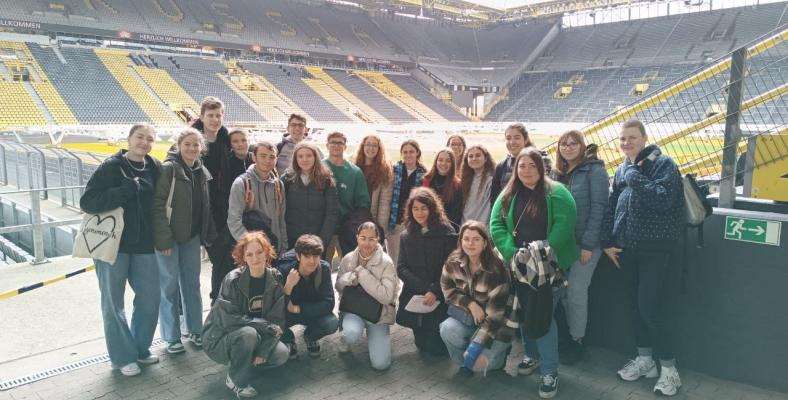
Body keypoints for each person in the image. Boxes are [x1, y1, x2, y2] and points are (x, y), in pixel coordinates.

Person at [601, 120, 684, 397]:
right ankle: (645, 360)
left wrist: (635, 176)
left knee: (652, 309)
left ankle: (670, 369)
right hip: (627, 249)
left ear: (644, 138)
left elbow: (663, 199)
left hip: (656, 250)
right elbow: (613, 205)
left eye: (632, 138)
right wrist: (608, 241)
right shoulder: (622, 167)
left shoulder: (664, 165)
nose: (626, 143)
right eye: (622, 139)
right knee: (635, 309)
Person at [490, 148, 577, 399]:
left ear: (541, 168)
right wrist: (511, 252)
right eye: (521, 166)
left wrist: (541, 254)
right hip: (518, 265)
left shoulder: (557, 193)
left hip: (548, 267)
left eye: (531, 166)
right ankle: (532, 355)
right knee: (526, 311)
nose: (526, 170)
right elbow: (496, 223)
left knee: (543, 316)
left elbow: (564, 225)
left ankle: (550, 370)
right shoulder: (509, 193)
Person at [80, 123, 161, 376]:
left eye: (149, 139)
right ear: (128, 139)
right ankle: (121, 356)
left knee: (150, 299)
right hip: (113, 246)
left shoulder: (155, 167)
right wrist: (123, 191)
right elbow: (88, 202)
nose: (144, 143)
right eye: (140, 137)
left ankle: (139, 348)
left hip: (145, 246)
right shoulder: (111, 167)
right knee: (113, 303)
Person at [153, 128, 217, 354]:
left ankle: (196, 330)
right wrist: (164, 240)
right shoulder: (168, 169)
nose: (192, 148)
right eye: (187, 144)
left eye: (196, 145)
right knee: (169, 287)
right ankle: (171, 337)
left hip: (191, 238)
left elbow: (204, 207)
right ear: (179, 145)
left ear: (201, 148)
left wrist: (205, 234)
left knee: (192, 285)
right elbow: (158, 206)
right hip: (169, 240)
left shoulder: (200, 171)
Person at [203, 232, 289, 398]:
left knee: (281, 354)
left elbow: (277, 321)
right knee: (249, 334)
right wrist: (262, 325)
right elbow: (228, 319)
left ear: (267, 253)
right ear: (243, 257)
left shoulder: (275, 278)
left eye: (259, 252)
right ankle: (236, 380)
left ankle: (243, 362)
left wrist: (263, 351)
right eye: (249, 254)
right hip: (221, 337)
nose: (255, 258)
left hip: (255, 336)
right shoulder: (232, 280)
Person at [551, 130, 609, 364]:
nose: (568, 147)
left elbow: (599, 209)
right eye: (563, 144)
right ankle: (564, 338)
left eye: (573, 143)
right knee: (562, 293)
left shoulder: (594, 170)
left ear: (582, 146)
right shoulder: (557, 173)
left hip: (584, 245)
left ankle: (577, 340)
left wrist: (588, 244)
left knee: (575, 292)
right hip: (561, 244)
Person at [439, 221, 512, 377]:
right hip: (469, 318)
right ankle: (466, 365)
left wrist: (475, 348)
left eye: (476, 239)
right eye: (466, 239)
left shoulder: (497, 271)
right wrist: (470, 304)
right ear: (460, 241)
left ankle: (498, 358)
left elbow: (495, 317)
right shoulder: (452, 262)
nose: (470, 243)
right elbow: (448, 290)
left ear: (485, 243)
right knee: (447, 329)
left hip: (497, 325)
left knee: (482, 363)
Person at [396, 187, 457, 356]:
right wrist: (425, 288)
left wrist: (435, 290)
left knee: (436, 349)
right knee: (422, 346)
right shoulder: (406, 235)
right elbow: (401, 268)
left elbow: (451, 268)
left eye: (424, 208)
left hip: (441, 295)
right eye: (415, 208)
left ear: (432, 209)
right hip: (416, 293)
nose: (420, 213)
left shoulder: (447, 233)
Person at [191, 97, 237, 307]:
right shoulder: (192, 140)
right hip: (198, 209)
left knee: (223, 259)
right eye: (210, 115)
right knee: (196, 265)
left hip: (222, 209)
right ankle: (193, 311)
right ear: (202, 117)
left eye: (218, 115)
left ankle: (218, 302)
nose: (215, 119)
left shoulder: (225, 138)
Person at [335, 222, 398, 370]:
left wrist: (363, 275)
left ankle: (378, 336)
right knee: (351, 333)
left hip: (378, 314)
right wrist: (348, 278)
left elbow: (387, 297)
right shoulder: (348, 258)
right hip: (354, 310)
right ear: (357, 238)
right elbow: (338, 286)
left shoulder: (386, 262)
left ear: (378, 240)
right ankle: (346, 339)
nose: (367, 243)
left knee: (381, 365)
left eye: (371, 239)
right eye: (363, 238)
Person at [208, 127, 254, 303]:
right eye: (235, 141)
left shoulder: (254, 160)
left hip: (250, 224)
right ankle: (218, 303)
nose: (240, 144)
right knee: (223, 267)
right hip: (227, 225)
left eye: (243, 140)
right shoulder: (225, 164)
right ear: (230, 145)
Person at [275, 235, 339, 359]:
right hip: (288, 315)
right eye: (307, 256)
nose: (312, 261)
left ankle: (310, 336)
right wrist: (288, 287)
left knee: (331, 323)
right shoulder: (283, 271)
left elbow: (329, 303)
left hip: (307, 312)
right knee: (273, 322)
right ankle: (288, 339)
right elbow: (276, 307)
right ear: (298, 257)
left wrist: (298, 309)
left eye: (315, 256)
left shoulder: (323, 268)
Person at [227, 142, 288, 255]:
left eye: (272, 157)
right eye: (263, 156)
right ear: (254, 157)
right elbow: (234, 221)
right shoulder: (241, 184)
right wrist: (252, 248)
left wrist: (283, 246)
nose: (267, 161)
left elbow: (281, 220)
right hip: (252, 252)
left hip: (274, 248)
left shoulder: (279, 185)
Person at [282, 142, 338, 253]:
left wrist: (322, 242)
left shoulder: (326, 180)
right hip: (292, 240)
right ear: (295, 159)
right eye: (300, 156)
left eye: (308, 155)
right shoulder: (287, 179)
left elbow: (331, 214)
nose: (305, 159)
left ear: (315, 157)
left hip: (316, 241)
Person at [323, 131, 371, 261]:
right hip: (325, 228)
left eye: (340, 143)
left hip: (347, 228)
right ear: (327, 145)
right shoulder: (319, 168)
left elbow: (363, 202)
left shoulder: (354, 172)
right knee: (323, 266)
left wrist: (353, 223)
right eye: (333, 142)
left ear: (345, 147)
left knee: (349, 269)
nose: (336, 145)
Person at [490, 124, 553, 206]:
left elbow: (546, 189)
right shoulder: (501, 166)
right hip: (508, 215)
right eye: (508, 138)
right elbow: (495, 198)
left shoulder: (542, 160)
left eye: (517, 138)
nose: (512, 142)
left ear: (525, 139)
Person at [386, 140, 426, 264]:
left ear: (417, 153)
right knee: (394, 260)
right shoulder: (394, 171)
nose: (408, 155)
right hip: (395, 222)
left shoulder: (424, 173)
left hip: (414, 224)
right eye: (405, 152)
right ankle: (394, 283)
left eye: (411, 152)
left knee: (410, 260)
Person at [354, 135, 393, 235]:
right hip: (354, 216)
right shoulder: (354, 165)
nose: (371, 148)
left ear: (379, 149)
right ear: (362, 146)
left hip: (372, 216)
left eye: (374, 145)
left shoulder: (385, 170)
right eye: (368, 144)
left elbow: (385, 201)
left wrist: (380, 228)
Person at [423, 148, 463, 229]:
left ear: (452, 164)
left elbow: (455, 214)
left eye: (448, 161)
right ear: (436, 162)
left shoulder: (457, 185)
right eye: (440, 160)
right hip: (425, 228)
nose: (443, 163)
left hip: (446, 231)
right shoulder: (425, 180)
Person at [460, 145, 495, 225]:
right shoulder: (465, 180)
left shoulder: (492, 180)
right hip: (465, 226)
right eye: (470, 156)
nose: (474, 158)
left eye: (478, 155)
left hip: (483, 227)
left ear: (485, 158)